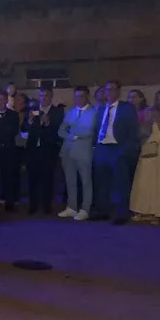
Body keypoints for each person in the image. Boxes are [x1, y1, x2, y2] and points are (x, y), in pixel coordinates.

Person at [91, 81, 140, 224]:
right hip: (102, 148)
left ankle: (121, 213)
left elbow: (133, 131)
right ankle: (103, 210)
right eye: (106, 89)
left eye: (112, 89)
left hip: (118, 148)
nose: (109, 92)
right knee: (102, 183)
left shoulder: (127, 108)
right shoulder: (101, 109)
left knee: (120, 183)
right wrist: (95, 147)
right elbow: (97, 128)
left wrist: (125, 150)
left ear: (118, 91)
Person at [130, 89, 160, 223]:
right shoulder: (150, 113)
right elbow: (140, 132)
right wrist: (149, 123)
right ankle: (144, 210)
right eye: (158, 99)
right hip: (151, 148)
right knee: (146, 179)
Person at [58, 86, 96, 221]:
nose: (78, 99)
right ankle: (72, 207)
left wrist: (72, 133)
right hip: (67, 151)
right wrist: (73, 136)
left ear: (87, 97)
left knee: (86, 182)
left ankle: (85, 209)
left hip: (84, 152)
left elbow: (90, 131)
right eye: (76, 97)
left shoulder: (94, 112)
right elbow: (61, 131)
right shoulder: (70, 112)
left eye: (81, 96)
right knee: (70, 181)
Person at [24, 87, 63, 215]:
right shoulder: (33, 111)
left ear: (51, 97)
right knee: (32, 180)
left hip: (48, 151)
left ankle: (47, 205)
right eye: (41, 95)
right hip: (33, 151)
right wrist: (29, 121)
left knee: (48, 180)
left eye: (46, 95)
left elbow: (58, 132)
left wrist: (47, 124)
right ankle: (33, 205)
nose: (43, 98)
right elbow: (24, 130)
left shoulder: (57, 112)